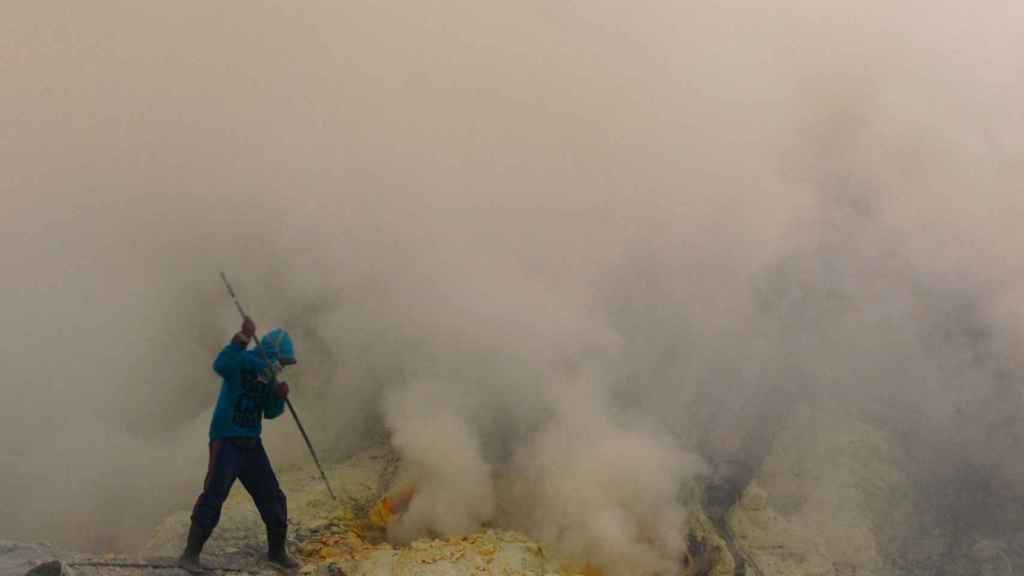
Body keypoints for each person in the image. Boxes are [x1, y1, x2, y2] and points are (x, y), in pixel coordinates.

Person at [179, 316, 300, 571]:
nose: (282, 367)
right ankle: (190, 555)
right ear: (273, 354)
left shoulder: (270, 376)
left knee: (272, 496)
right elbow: (220, 365)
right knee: (214, 494)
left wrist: (278, 397)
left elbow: (270, 412)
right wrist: (241, 339)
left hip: (251, 442)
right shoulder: (243, 361)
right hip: (226, 439)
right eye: (282, 361)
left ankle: (277, 552)